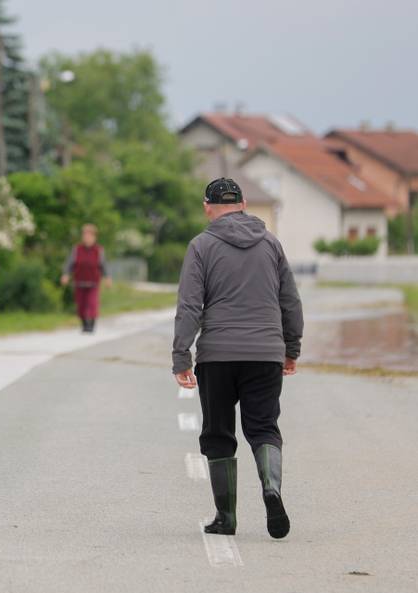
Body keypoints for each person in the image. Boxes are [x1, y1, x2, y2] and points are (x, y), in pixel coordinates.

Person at [172, 177, 303, 539]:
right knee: (263, 427)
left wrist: (181, 356)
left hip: (217, 356)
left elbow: (189, 306)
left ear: (207, 207)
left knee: (218, 432)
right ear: (244, 203)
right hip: (265, 353)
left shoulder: (201, 246)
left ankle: (225, 518)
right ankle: (271, 489)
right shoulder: (271, 245)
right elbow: (290, 301)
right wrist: (290, 350)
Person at [61, 224, 110, 333]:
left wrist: (107, 278)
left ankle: (91, 324)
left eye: (89, 235)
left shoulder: (98, 250)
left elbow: (103, 265)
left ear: (94, 237)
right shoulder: (77, 249)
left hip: (93, 281)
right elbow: (70, 264)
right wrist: (66, 275)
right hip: (79, 281)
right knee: (81, 304)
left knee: (92, 303)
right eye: (84, 235)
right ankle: (84, 324)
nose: (86, 238)